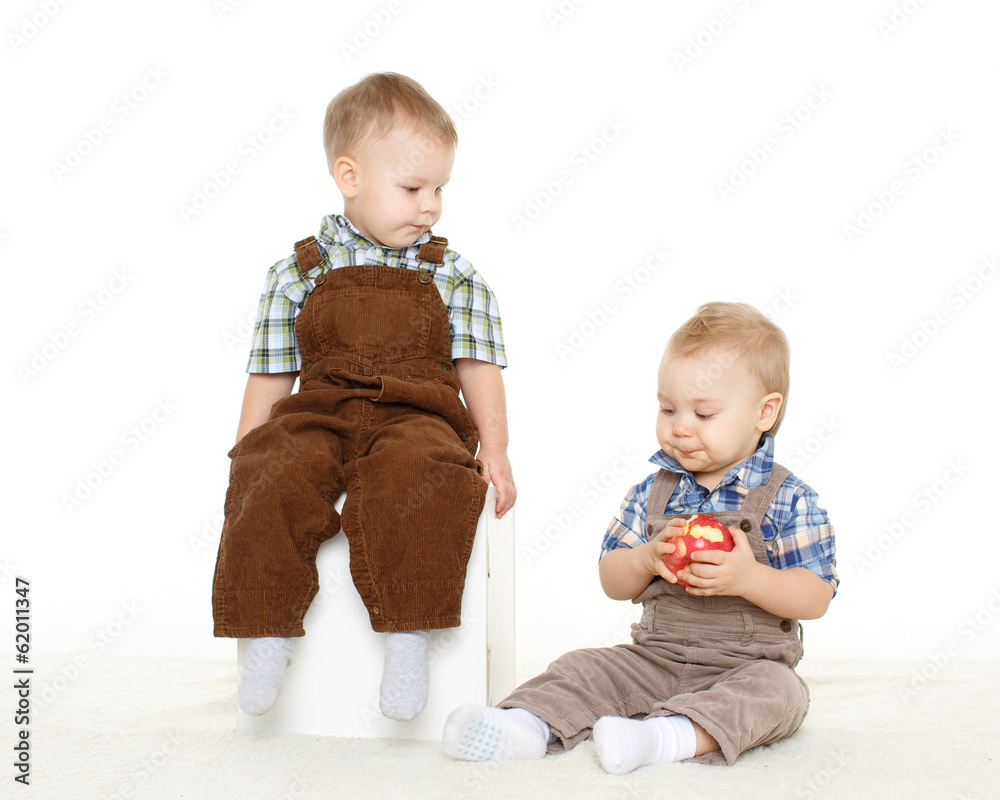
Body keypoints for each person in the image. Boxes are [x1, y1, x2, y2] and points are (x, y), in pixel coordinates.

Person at [212, 72, 514, 722]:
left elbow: (479, 364)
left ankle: (409, 635)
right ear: (349, 176)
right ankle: (267, 633)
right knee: (271, 471)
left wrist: (496, 448)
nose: (431, 206)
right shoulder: (298, 273)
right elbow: (270, 374)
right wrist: (245, 452)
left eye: (440, 189)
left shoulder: (452, 273)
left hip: (417, 412)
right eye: (413, 188)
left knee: (422, 475)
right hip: (318, 411)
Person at [443, 301, 837, 772]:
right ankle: (524, 726)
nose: (680, 426)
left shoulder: (789, 498)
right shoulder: (652, 492)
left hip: (746, 667)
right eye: (668, 408)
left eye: (704, 413)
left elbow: (816, 595)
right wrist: (647, 559)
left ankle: (663, 738)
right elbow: (612, 579)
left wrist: (749, 578)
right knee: (583, 666)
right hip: (654, 659)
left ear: (764, 412)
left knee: (780, 694)